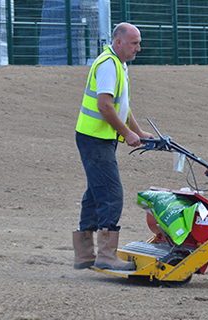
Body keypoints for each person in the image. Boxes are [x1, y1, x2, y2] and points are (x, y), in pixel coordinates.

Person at [72, 22, 153, 271]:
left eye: (138, 43)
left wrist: (138, 131)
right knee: (111, 194)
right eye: (134, 43)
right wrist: (127, 134)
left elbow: (120, 105)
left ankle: (84, 254)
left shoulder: (119, 64)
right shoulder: (108, 65)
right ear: (119, 42)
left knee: (96, 194)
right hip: (95, 139)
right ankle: (106, 255)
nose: (138, 48)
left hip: (96, 137)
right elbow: (105, 106)